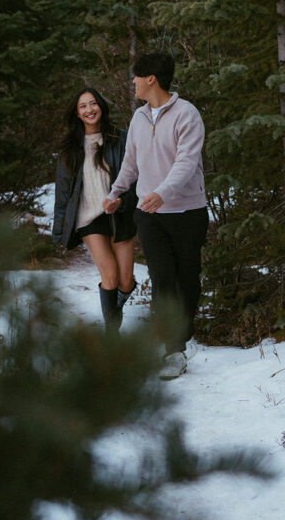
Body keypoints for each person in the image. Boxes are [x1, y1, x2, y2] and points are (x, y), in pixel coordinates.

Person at [102, 52, 208, 379]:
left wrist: (162, 192)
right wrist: (116, 192)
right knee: (162, 278)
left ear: (152, 79)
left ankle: (180, 337)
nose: (132, 81)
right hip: (148, 214)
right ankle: (172, 350)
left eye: (137, 76)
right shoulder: (138, 118)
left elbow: (186, 163)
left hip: (186, 211)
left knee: (186, 279)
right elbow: (130, 164)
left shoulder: (187, 115)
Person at [53, 87, 137, 332]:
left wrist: (122, 202)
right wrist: (59, 232)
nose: (89, 109)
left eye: (93, 104)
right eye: (83, 106)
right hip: (89, 218)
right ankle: (112, 335)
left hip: (119, 213)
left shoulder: (120, 138)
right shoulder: (70, 150)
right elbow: (63, 195)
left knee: (125, 281)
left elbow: (135, 178)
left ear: (101, 106)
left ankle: (114, 310)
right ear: (77, 114)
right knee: (109, 275)